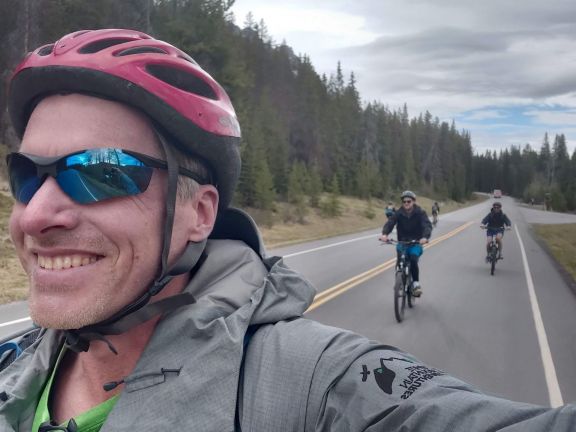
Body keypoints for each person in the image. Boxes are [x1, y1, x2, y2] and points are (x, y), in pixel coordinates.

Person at [1, 29, 575, 431]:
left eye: (100, 173)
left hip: (413, 246)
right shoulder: (14, 364)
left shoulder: (310, 382)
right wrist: (385, 234)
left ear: (200, 213)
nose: (34, 214)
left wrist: (414, 239)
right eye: (27, 175)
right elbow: (387, 222)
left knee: (414, 258)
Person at [379, 191, 432, 297]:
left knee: (413, 258)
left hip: (416, 242)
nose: (406, 203)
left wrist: (425, 237)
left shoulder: (420, 212)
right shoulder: (398, 213)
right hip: (402, 241)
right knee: (400, 259)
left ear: (413, 201)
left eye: (409, 201)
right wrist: (385, 234)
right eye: (404, 201)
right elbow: (390, 223)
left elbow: (427, 225)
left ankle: (416, 284)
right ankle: (399, 282)